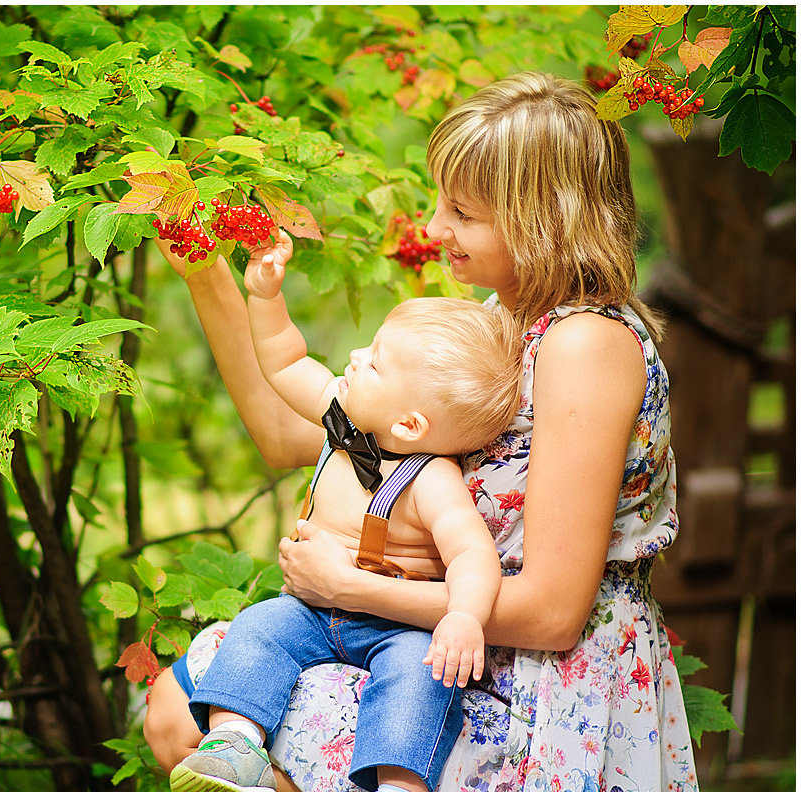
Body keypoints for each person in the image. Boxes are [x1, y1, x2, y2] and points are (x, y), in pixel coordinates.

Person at [145, 71, 697, 791]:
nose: (434, 230)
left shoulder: (584, 345)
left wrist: (350, 586)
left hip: (542, 686)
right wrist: (210, 277)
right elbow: (293, 436)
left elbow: (557, 612)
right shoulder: (499, 331)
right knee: (184, 706)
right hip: (439, 644)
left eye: (462, 212)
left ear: (544, 219)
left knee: (191, 703)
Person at [170, 237, 521, 792]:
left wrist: (462, 617)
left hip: (397, 623)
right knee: (258, 629)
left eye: (374, 363)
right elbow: (286, 362)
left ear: (409, 425)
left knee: (418, 678)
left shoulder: (433, 480)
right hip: (310, 609)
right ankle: (234, 745)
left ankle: (400, 781)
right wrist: (265, 297)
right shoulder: (344, 418)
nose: (355, 358)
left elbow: (473, 554)